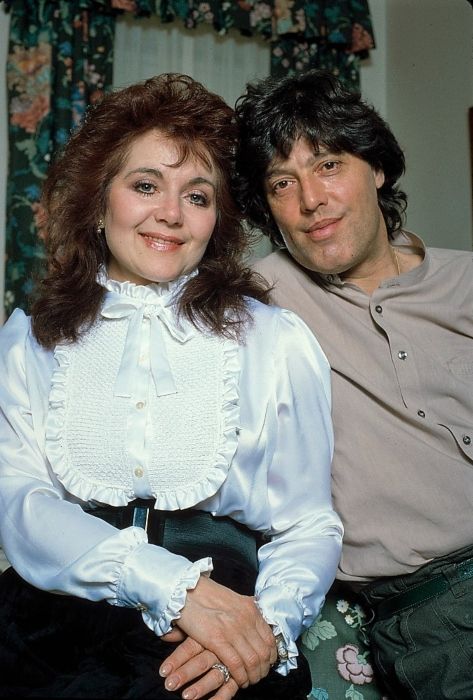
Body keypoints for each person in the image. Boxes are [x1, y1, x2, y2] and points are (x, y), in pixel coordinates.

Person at [0, 73, 343, 700]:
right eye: (145, 185)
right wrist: (166, 584)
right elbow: (18, 501)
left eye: (198, 195)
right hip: (55, 623)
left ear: (218, 220)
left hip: (224, 627)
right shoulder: (28, 340)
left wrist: (261, 630)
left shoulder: (275, 340)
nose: (171, 214)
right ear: (99, 202)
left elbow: (309, 524)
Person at [233, 69, 473, 700]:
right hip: (439, 612)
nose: (311, 199)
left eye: (330, 165)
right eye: (283, 183)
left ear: (378, 170)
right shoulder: (258, 301)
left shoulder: (466, 281)